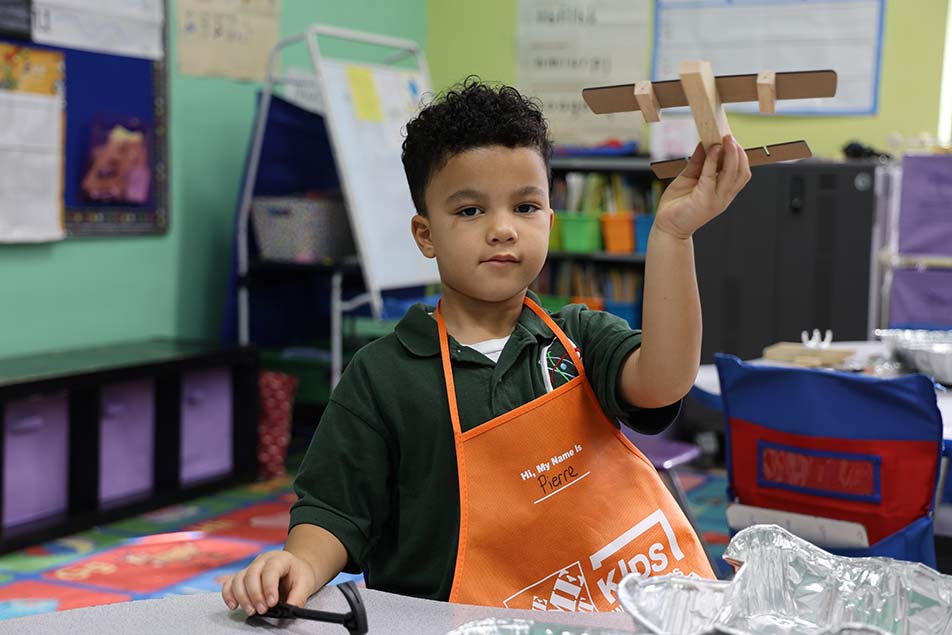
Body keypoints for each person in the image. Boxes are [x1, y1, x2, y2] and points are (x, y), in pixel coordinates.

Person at [222, 77, 750, 616]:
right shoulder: (381, 376)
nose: (502, 229)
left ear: (550, 220)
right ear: (426, 234)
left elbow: (664, 380)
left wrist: (672, 236)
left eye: (525, 206)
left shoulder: (577, 339)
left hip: (588, 617)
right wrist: (299, 564)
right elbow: (333, 511)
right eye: (470, 211)